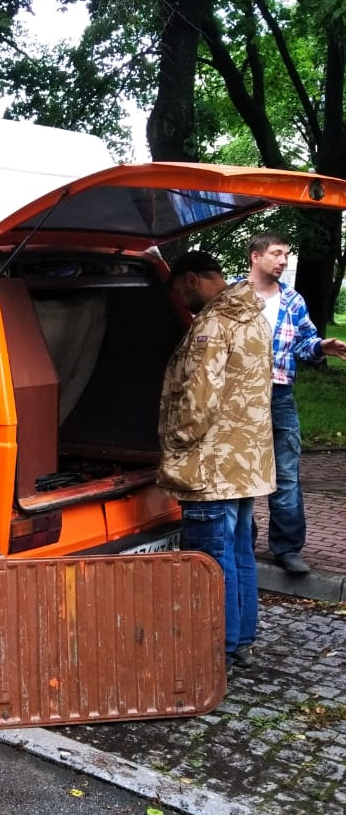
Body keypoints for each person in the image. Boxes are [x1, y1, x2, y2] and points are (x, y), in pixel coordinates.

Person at [158, 251, 275, 675]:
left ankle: (214, 655)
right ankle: (241, 642)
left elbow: (198, 403)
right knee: (240, 552)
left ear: (190, 280)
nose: (178, 301)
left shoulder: (212, 323)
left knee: (210, 561)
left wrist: (174, 442)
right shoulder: (253, 316)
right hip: (247, 463)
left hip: (212, 468)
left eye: (176, 291)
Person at [247, 233, 346, 574]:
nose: (283, 261)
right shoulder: (233, 294)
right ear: (255, 256)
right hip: (239, 398)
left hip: (280, 396)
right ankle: (242, 542)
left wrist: (321, 347)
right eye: (277, 254)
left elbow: (304, 343)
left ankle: (287, 549)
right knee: (240, 470)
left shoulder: (292, 300)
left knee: (286, 475)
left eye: (286, 255)